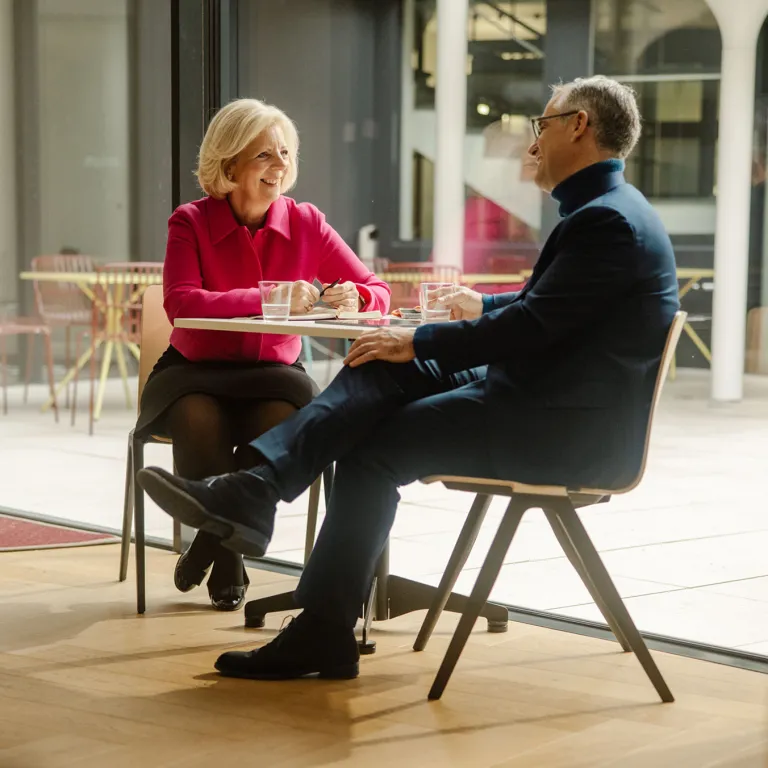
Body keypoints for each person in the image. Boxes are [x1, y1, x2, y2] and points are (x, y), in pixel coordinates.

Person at [138, 76, 680, 679]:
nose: (533, 144)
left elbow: (532, 326)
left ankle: (298, 580)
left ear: (578, 126)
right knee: (385, 363)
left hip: (559, 429)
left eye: (542, 126)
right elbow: (543, 306)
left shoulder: (602, 222)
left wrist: (418, 336)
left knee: (374, 437)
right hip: (548, 404)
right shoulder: (609, 213)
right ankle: (261, 498)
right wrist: (479, 305)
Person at [134, 98, 390, 612]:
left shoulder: (306, 221)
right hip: (194, 372)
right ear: (229, 165)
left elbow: (377, 291)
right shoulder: (189, 222)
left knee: (280, 418)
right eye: (265, 156)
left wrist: (356, 297)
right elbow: (181, 303)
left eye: (286, 154)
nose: (281, 166)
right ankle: (229, 559)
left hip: (274, 373)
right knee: (195, 417)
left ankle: (210, 537)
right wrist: (267, 298)